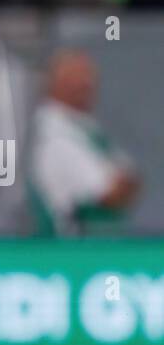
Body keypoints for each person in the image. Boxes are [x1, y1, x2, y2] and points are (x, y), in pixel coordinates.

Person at [29, 50, 141, 236]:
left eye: (90, 78)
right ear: (56, 82)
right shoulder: (55, 136)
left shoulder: (85, 127)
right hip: (74, 253)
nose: (86, 85)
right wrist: (122, 184)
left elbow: (130, 176)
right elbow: (109, 194)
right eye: (77, 78)